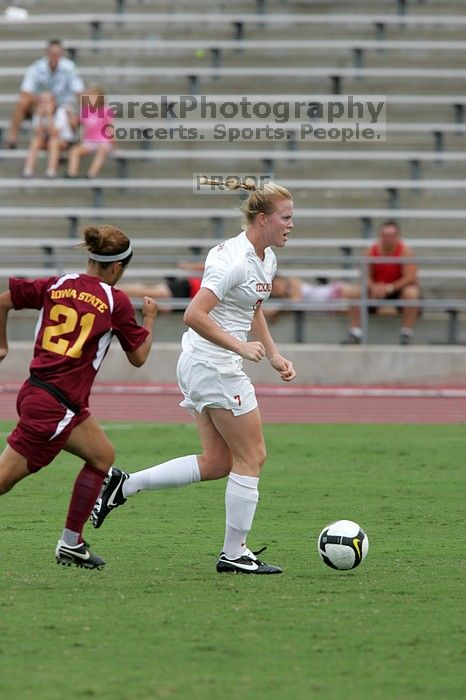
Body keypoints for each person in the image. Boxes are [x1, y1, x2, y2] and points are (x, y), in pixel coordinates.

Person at [92, 180, 297, 575]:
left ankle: (125, 484)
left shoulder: (265, 258)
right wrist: (240, 348)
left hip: (207, 363)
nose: (291, 225)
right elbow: (193, 314)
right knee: (253, 456)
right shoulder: (232, 259)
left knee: (218, 461)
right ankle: (234, 553)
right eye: (285, 218)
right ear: (261, 218)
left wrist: (272, 354)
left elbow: (251, 307)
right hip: (214, 364)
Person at [0, 225, 157, 570]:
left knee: (102, 456)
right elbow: (139, 357)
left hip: (45, 395)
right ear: (117, 268)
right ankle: (70, 542)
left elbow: (4, 300)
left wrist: (2, 344)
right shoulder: (115, 301)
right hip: (55, 406)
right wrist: (150, 319)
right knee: (2, 480)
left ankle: (72, 543)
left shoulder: (56, 284)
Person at [344, 220, 421, 345]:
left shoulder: (405, 252)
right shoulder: (370, 251)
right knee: (354, 292)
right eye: (385, 236)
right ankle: (355, 332)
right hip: (376, 290)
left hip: (397, 291)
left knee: (412, 293)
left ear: (397, 237)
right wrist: (374, 287)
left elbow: (410, 277)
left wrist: (390, 288)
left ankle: (406, 333)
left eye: (391, 236)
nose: (387, 239)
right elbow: (364, 275)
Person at [5, 39, 84, 149]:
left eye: (57, 53)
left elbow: (79, 91)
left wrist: (79, 113)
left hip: (62, 106)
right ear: (47, 52)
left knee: (80, 108)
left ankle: (69, 142)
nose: (55, 56)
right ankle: (12, 139)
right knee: (22, 102)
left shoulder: (69, 67)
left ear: (61, 53)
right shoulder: (36, 67)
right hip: (41, 104)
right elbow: (25, 92)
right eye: (52, 53)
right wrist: (44, 101)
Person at [22, 92, 75, 178]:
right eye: (42, 101)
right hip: (47, 140)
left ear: (54, 102)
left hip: (63, 141)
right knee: (35, 141)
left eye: (47, 101)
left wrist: (49, 116)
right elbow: (38, 134)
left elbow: (54, 133)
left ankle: (51, 171)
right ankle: (28, 170)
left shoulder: (61, 112)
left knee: (53, 141)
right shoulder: (38, 113)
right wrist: (40, 117)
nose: (44, 104)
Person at [266, 274, 359, 322]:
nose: (277, 288)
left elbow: (296, 300)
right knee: (355, 305)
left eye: (277, 284)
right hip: (329, 307)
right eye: (273, 288)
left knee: (360, 293)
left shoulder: (292, 282)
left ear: (281, 280)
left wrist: (279, 310)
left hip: (331, 292)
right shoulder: (284, 301)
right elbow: (270, 316)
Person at [67, 85, 114, 179]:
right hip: (89, 141)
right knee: (74, 151)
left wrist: (114, 145)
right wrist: (70, 113)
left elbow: (110, 129)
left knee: (102, 151)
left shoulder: (105, 110)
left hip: (102, 141)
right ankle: (72, 174)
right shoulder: (85, 110)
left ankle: (91, 174)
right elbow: (75, 124)